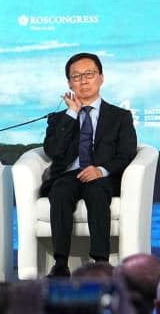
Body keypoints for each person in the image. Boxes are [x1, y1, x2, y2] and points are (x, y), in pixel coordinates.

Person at [40, 52, 137, 277]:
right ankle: (61, 264)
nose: (83, 80)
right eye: (76, 76)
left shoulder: (120, 117)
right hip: (68, 175)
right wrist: (72, 114)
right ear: (69, 83)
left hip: (103, 176)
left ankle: (101, 263)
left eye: (89, 74)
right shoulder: (59, 118)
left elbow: (126, 153)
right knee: (61, 190)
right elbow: (53, 151)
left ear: (101, 78)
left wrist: (101, 170)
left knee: (97, 190)